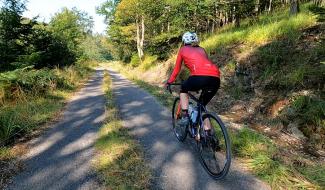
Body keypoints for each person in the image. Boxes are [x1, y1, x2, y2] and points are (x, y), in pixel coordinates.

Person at [166, 32, 220, 134]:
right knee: (201, 106)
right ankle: (209, 135)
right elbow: (204, 65)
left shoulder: (183, 49)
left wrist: (170, 81)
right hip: (215, 78)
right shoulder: (202, 49)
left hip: (199, 77)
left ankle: (185, 116)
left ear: (184, 41)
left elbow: (177, 69)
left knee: (183, 89)